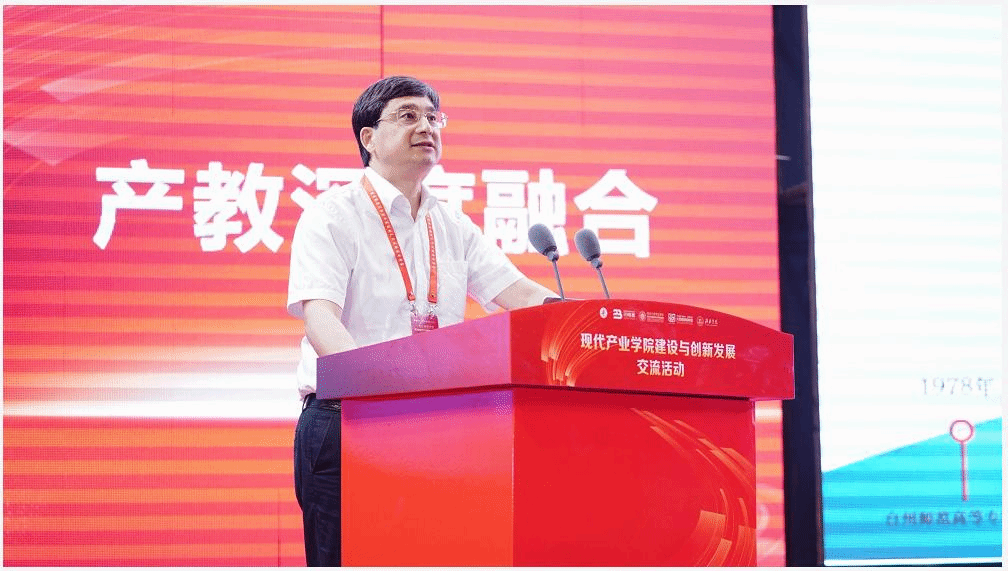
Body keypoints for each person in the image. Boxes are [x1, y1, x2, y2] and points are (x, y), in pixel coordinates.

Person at [286, 75, 555, 566]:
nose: (426, 127)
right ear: (369, 138)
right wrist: (378, 392)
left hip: (434, 426)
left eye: (433, 117)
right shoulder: (332, 215)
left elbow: (516, 293)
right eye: (408, 116)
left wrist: (580, 317)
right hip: (349, 421)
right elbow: (320, 319)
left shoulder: (451, 223)